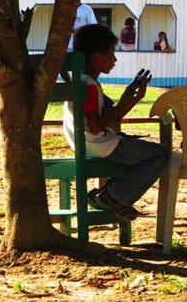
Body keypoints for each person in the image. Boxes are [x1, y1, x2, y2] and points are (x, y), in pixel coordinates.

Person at [65, 23, 170, 222]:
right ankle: (114, 196)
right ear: (96, 57)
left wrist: (131, 100)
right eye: (111, 53)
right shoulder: (90, 87)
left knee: (143, 152)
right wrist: (123, 102)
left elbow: (112, 119)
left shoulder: (81, 80)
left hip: (86, 144)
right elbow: (96, 126)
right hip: (100, 145)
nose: (114, 59)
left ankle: (112, 193)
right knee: (161, 154)